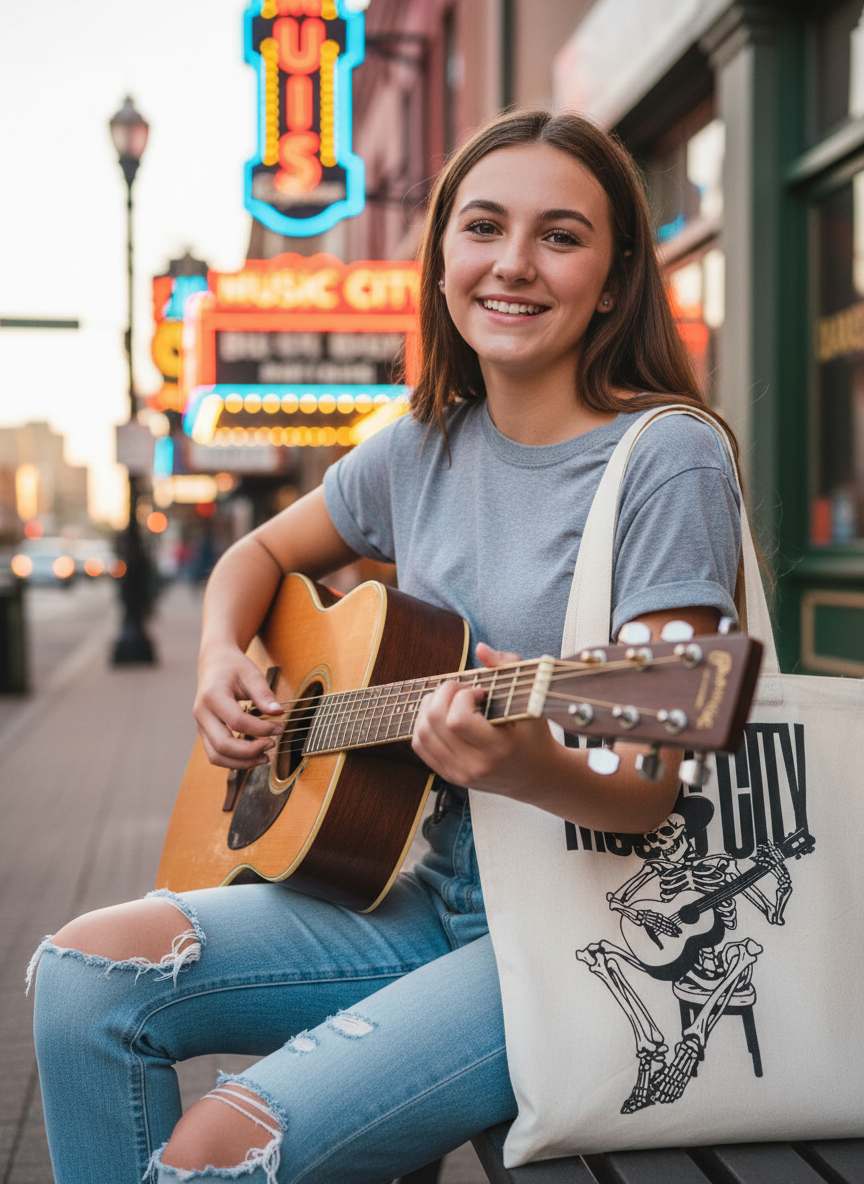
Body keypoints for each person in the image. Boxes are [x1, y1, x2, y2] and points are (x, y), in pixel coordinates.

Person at [29, 109, 742, 1184]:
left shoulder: (666, 457)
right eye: (484, 227)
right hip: (426, 894)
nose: (513, 263)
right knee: (79, 973)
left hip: (584, 933)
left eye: (560, 235)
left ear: (613, 277)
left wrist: (528, 761)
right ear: (442, 257)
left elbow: (648, 783)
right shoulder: (419, 447)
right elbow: (258, 554)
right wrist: (222, 654)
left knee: (217, 1148)